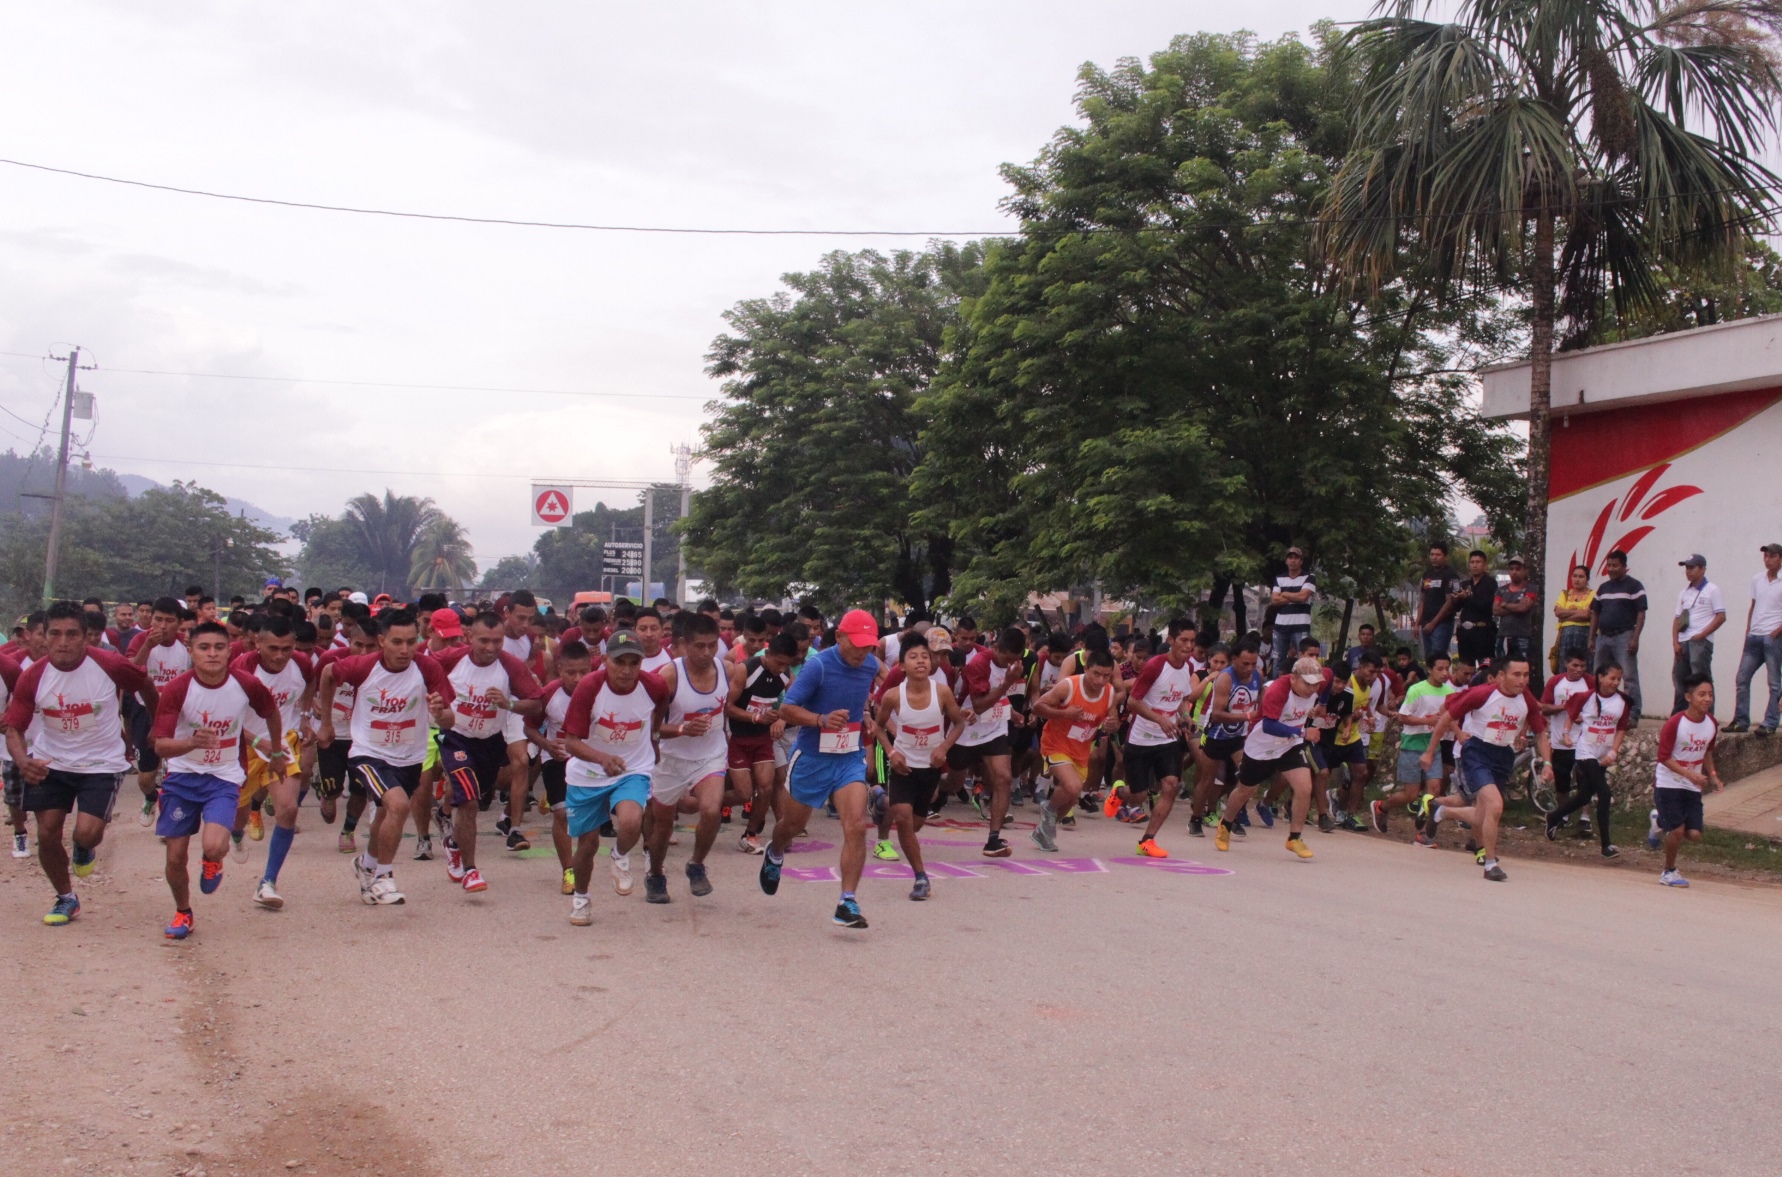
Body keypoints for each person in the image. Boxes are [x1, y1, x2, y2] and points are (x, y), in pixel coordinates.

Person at [3, 601, 158, 925]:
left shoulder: (109, 664)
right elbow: (14, 727)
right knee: (47, 834)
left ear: (85, 636)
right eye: (54, 634)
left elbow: (144, 683)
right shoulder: (33, 676)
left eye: (71, 634)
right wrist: (22, 760)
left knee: (87, 834)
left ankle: (83, 848)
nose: (62, 642)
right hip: (52, 762)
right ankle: (65, 898)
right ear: (44, 636)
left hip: (100, 763)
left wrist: (158, 725)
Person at [150, 622, 283, 937]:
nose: (212, 654)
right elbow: (160, 745)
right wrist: (191, 743)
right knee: (175, 856)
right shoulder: (178, 688)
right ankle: (183, 913)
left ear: (229, 651)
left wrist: (277, 752)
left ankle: (213, 860)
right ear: (191, 651)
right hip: (182, 777)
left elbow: (271, 713)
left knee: (214, 845)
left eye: (219, 647)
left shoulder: (246, 684)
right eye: (204, 647)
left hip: (223, 777)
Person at [316, 609, 456, 906]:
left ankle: (366, 864)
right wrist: (326, 723)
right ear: (382, 641)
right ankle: (383, 876)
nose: (405, 650)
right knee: (399, 805)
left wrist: (439, 712)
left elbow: (450, 720)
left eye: (411, 642)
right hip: (369, 752)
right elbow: (328, 674)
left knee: (385, 814)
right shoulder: (363, 666)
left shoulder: (428, 668)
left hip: (409, 756)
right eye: (397, 642)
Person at [758, 608, 882, 930]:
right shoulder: (819, 666)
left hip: (849, 757)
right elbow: (787, 708)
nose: (863, 652)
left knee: (856, 825)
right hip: (812, 758)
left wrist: (865, 714)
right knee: (791, 826)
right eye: (857, 644)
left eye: (869, 645)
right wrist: (820, 719)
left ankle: (847, 901)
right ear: (839, 636)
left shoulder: (870, 664)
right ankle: (775, 852)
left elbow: (861, 695)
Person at [559, 630, 668, 926]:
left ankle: (620, 855)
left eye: (634, 662)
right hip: (588, 772)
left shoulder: (655, 686)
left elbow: (658, 713)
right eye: (620, 662)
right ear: (605, 660)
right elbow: (571, 743)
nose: (627, 670)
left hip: (632, 768)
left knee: (632, 820)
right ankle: (581, 899)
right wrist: (602, 758)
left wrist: (653, 740)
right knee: (588, 844)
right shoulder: (589, 687)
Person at [433, 612, 546, 894]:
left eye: (497, 641)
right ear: (469, 636)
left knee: (480, 795)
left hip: (490, 741)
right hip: (456, 738)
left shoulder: (510, 665)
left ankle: (454, 844)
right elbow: (420, 671)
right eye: (484, 640)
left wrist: (509, 704)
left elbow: (536, 703)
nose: (490, 647)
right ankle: (471, 870)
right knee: (469, 802)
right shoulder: (451, 658)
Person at [1420, 655, 1555, 882]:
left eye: (1526, 675)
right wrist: (1430, 752)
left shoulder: (1527, 698)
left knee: (1484, 814)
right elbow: (1446, 718)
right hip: (1477, 752)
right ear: (1502, 675)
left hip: (1503, 755)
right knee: (1495, 805)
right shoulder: (1482, 694)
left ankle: (1441, 811)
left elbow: (1541, 732)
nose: (1522, 680)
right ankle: (1490, 864)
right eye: (1516, 674)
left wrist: (1548, 763)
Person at [645, 613, 730, 903]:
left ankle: (696, 864)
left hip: (711, 754)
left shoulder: (727, 670)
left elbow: (728, 708)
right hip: (671, 759)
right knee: (663, 825)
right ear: (683, 644)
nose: (706, 652)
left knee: (711, 809)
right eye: (699, 646)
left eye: (712, 645)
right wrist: (682, 729)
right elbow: (650, 728)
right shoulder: (668, 677)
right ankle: (656, 874)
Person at [231, 616, 316, 907]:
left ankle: (268, 882)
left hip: (282, 743)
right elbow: (227, 721)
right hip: (244, 746)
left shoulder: (301, 663)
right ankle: (236, 833)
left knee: (288, 809)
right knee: (238, 816)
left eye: (286, 648)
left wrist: (305, 716)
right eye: (273, 648)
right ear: (258, 643)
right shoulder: (242, 669)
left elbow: (310, 682)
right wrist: (258, 742)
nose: (280, 656)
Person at [873, 632, 965, 897]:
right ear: (902, 666)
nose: (921, 661)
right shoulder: (893, 696)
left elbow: (959, 723)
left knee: (914, 824)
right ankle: (921, 878)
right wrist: (891, 752)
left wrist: (943, 748)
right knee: (903, 818)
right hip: (903, 766)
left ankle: (881, 801)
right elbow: (877, 727)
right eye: (913, 657)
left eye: (925, 656)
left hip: (931, 767)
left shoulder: (942, 692)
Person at [1214, 655, 1323, 858]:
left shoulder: (1318, 687)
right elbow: (1268, 725)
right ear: (1293, 678)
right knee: (1246, 790)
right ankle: (1226, 824)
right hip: (1263, 746)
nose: (1312, 689)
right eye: (1308, 684)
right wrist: (1303, 732)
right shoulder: (1278, 690)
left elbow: (1331, 684)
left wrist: (1321, 707)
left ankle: (1295, 837)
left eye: (1316, 684)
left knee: (1304, 787)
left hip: (1290, 744)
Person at [1123, 619, 1203, 859]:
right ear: (1171, 640)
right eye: (1183, 640)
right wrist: (1160, 719)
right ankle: (1118, 794)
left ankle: (1147, 840)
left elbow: (1181, 698)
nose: (1188, 646)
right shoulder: (1155, 666)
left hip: (1167, 739)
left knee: (1170, 785)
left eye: (1192, 641)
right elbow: (1133, 701)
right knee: (1138, 795)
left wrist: (1185, 716)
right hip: (1140, 737)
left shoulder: (1188, 667)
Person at [947, 627, 1028, 858]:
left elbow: (1000, 696)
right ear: (996, 648)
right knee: (953, 782)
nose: (1011, 664)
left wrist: (1012, 714)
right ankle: (937, 793)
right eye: (1008, 659)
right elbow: (980, 705)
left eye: (1016, 660)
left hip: (994, 729)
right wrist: (1007, 683)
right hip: (968, 728)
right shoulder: (978, 664)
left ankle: (993, 839)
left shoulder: (1014, 665)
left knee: (1003, 778)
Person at [1029, 648, 1119, 853]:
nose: (1100, 680)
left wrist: (1112, 725)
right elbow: (1037, 708)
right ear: (1086, 668)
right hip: (1055, 744)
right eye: (1096, 674)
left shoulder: (1110, 693)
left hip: (1081, 750)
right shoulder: (1068, 686)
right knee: (1072, 786)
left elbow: (1113, 722)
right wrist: (1065, 714)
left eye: (1106, 676)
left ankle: (1042, 833)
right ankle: (1048, 808)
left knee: (1071, 798)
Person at [525, 639, 593, 895]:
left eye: (583, 672)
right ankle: (569, 870)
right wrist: (547, 744)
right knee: (562, 815)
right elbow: (529, 728)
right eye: (571, 672)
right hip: (557, 759)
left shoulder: (600, 690)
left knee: (586, 818)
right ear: (560, 669)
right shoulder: (549, 693)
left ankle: (550, 798)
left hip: (589, 760)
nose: (577, 678)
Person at [1544, 660, 1631, 858]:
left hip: (1603, 753)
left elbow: (1621, 728)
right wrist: (1566, 733)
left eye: (1618, 679)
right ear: (1600, 677)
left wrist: (1613, 752)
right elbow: (1571, 714)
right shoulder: (1586, 697)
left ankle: (1554, 817)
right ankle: (1606, 845)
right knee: (1604, 794)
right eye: (1612, 678)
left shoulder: (1622, 702)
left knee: (1584, 796)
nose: (1615, 682)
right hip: (1586, 752)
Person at [125, 598, 192, 827]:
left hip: (177, 713)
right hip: (144, 709)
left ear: (179, 623)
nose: (163, 626)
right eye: (158, 619)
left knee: (176, 769)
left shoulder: (186, 644)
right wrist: (147, 646)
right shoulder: (140, 639)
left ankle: (172, 818)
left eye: (169, 621)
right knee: (146, 777)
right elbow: (131, 672)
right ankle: (150, 797)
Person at [1371, 652, 1453, 841]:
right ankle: (1381, 806)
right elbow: (1402, 717)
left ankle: (1423, 833)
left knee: (1434, 789)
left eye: (1447, 669)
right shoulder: (1417, 690)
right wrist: (1428, 721)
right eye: (1440, 669)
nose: (1444, 673)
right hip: (1412, 746)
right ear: (1429, 669)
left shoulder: (1449, 692)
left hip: (1433, 747)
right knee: (1410, 794)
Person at [1651, 673, 1723, 887]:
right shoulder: (1675, 723)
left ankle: (1658, 821)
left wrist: (1713, 775)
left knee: (1694, 834)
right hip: (1668, 782)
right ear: (1689, 697)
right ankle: (1669, 871)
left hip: (1692, 785)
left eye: (1710, 694)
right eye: (1702, 694)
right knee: (1677, 830)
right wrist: (1691, 775)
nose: (1707, 699)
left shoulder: (1711, 723)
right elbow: (1664, 757)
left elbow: (1707, 750)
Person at [726, 631, 794, 854]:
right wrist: (755, 717)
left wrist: (781, 718)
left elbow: (795, 702)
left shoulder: (786, 675)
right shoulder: (746, 669)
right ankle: (712, 804)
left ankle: (750, 834)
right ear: (769, 653)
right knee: (744, 794)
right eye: (779, 662)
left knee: (766, 787)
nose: (782, 668)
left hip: (762, 739)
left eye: (787, 664)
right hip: (738, 737)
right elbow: (727, 707)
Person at [1540, 651, 1597, 837]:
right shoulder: (1555, 682)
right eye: (1575, 666)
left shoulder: (1590, 682)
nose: (1579, 670)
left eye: (1582, 666)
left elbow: (1599, 706)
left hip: (1582, 741)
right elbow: (1544, 708)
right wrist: (1565, 706)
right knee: (1562, 783)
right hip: (1560, 742)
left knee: (1584, 781)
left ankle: (1585, 818)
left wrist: (1584, 716)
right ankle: (1563, 815)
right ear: (1566, 664)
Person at [1728, 543, 1782, 734]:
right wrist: (1748, 630)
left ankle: (1770, 723)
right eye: (1765, 556)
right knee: (1742, 677)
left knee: (1774, 682)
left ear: (1780, 558)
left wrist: (1777, 631)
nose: (1767, 559)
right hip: (1754, 637)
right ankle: (1740, 721)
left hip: (1772, 638)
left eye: (1772, 556)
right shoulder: (1757, 579)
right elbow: (1753, 606)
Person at [1590, 549, 1647, 721]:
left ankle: (1632, 713)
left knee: (1629, 676)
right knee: (1598, 675)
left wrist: (1635, 638)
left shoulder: (1634, 586)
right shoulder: (1603, 588)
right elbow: (1595, 613)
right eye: (1609, 565)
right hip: (1603, 637)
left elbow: (1641, 613)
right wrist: (1591, 638)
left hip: (1624, 636)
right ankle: (1598, 710)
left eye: (1615, 566)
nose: (1611, 569)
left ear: (1624, 567)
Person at [1671, 555, 1725, 714]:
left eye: (1692, 567)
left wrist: (1702, 635)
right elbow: (1677, 619)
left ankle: (1707, 715)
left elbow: (1721, 617)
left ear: (1702, 569)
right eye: (1686, 568)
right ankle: (1680, 715)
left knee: (1701, 679)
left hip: (1700, 642)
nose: (1688, 571)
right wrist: (1675, 642)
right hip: (1683, 640)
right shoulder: (1684, 592)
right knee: (1680, 678)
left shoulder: (1712, 589)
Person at [1269, 547, 1316, 674]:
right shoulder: (1279, 578)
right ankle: (1276, 686)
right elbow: (1274, 600)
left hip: (1301, 627)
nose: (1293, 560)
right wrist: (1295, 596)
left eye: (1296, 558)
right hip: (1280, 627)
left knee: (1303, 661)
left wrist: (1284, 593)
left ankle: (1302, 685)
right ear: (1286, 561)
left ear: (1301, 561)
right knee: (1278, 662)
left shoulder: (1309, 577)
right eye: (1290, 557)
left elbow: (1302, 597)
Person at [1417, 543, 1464, 660]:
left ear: (1445, 556)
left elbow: (1450, 602)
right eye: (1432, 554)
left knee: (1438, 658)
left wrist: (1433, 623)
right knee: (1429, 659)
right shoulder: (1427, 574)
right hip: (1425, 623)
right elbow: (1422, 599)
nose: (1434, 557)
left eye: (1438, 555)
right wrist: (1417, 623)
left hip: (1442, 624)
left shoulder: (1451, 575)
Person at [1453, 550, 1498, 668]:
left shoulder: (1490, 583)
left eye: (1478, 562)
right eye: (1472, 562)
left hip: (1483, 631)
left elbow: (1486, 605)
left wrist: (1468, 596)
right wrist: (1457, 598)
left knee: (1485, 667)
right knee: (1466, 667)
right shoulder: (1465, 584)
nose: (1475, 565)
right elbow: (1457, 608)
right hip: (1465, 632)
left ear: (1485, 565)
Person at [1493, 555, 1537, 667]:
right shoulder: (1501, 590)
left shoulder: (1530, 588)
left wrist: (1504, 604)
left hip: (1522, 635)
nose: (1514, 572)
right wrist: (1516, 605)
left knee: (1522, 667)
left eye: (1517, 569)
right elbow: (1496, 610)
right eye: (1511, 569)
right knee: (1501, 667)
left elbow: (1524, 608)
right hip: (1503, 635)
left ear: (1524, 570)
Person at [1553, 565, 1595, 664]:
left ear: (1587, 579)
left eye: (1581, 577)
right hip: (1565, 635)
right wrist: (1579, 612)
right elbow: (1558, 612)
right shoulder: (1565, 594)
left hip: (1585, 634)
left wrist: (1565, 617)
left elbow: (1587, 614)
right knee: (1566, 665)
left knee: (1584, 664)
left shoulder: (1593, 594)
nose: (1577, 579)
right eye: (1575, 576)